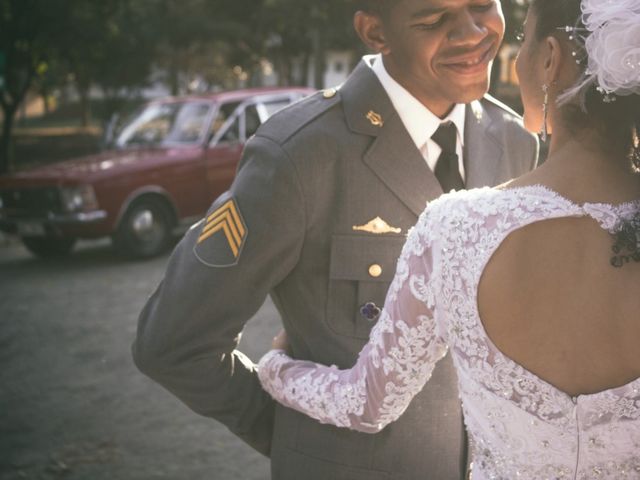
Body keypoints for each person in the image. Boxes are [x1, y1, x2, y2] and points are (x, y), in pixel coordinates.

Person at [133, 0, 538, 478]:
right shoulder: (298, 155)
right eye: (433, 19)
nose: (472, 32)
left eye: (481, 4)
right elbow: (174, 343)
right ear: (374, 31)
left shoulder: (514, 140)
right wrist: (292, 432)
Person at [257, 0, 640, 478]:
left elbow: (366, 404)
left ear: (549, 59)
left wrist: (277, 369)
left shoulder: (457, 229)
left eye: (522, 41)